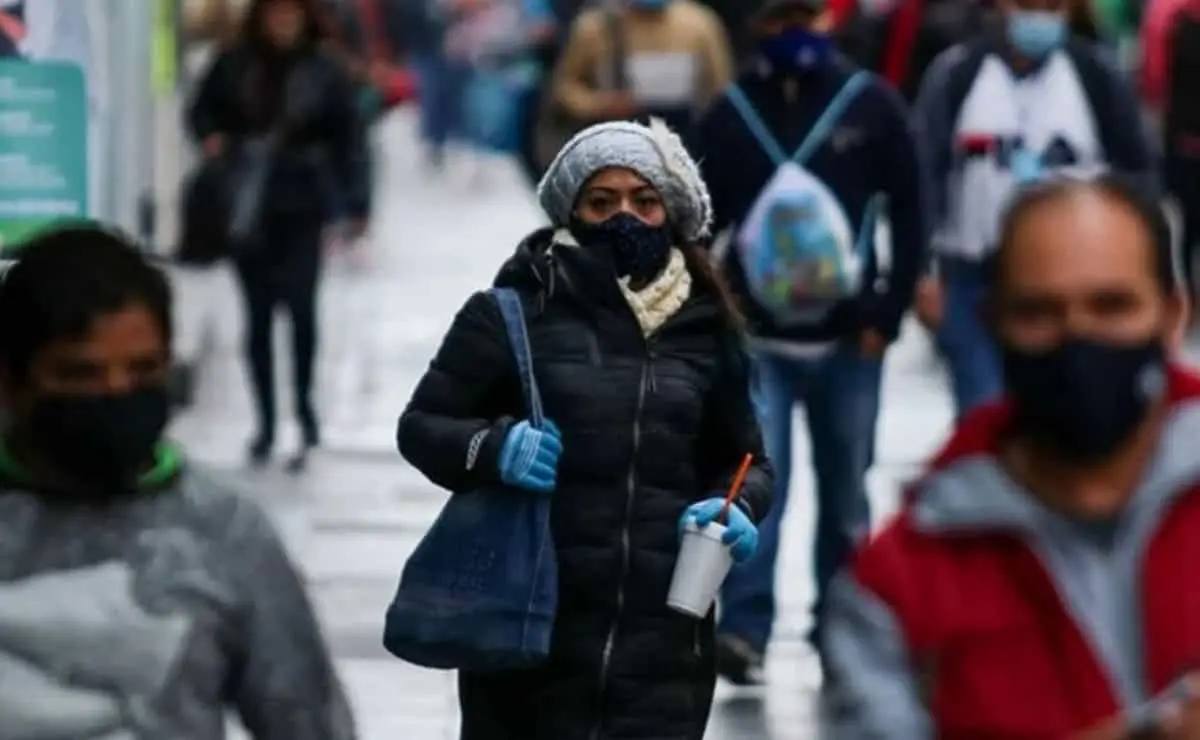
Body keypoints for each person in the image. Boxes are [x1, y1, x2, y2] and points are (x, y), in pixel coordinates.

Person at [396, 119, 773, 739]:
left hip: (665, 649)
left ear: (670, 213)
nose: (624, 216)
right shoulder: (512, 311)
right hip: (531, 640)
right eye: (603, 202)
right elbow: (422, 426)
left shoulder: (708, 329)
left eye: (644, 201)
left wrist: (739, 508)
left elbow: (749, 461)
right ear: (572, 210)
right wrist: (494, 449)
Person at [821, 176, 1200, 737]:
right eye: (1040, 312)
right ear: (993, 322)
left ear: (1172, 316)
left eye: (1111, 305)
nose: (1078, 338)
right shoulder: (898, 590)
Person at [0, 224, 353, 739]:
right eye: (81, 375)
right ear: (11, 380)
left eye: (143, 373)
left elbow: (307, 721)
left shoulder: (223, 531)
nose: (115, 396)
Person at [688, 0, 926, 685]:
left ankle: (841, 631)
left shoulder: (870, 105)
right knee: (760, 488)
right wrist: (711, 316)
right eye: (775, 17)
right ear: (754, 27)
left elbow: (911, 207)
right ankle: (744, 629)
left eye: (805, 13)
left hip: (850, 343)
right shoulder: (731, 112)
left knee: (847, 493)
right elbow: (698, 221)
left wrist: (891, 307)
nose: (793, 31)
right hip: (758, 342)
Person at [912, 0, 1154, 420]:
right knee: (982, 412)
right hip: (974, 278)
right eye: (1028, 4)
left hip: (1076, 278)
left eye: (1052, 5)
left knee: (1067, 412)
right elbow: (922, 176)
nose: (1039, 15)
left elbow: (1138, 175)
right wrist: (921, 272)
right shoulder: (958, 75)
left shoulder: (1095, 75)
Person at [187, 0, 369, 470]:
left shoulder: (323, 69)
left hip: (303, 204)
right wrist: (215, 140)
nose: (283, 23)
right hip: (248, 206)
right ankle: (266, 422)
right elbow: (201, 113)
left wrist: (356, 203)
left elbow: (351, 138)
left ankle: (304, 413)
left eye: (291, 13)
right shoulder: (234, 64)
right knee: (258, 316)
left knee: (302, 311)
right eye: (276, 13)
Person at [550, 0, 733, 140]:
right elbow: (564, 88)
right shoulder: (596, 27)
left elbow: (721, 90)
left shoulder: (699, 24)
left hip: (684, 138)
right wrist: (600, 104)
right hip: (618, 136)